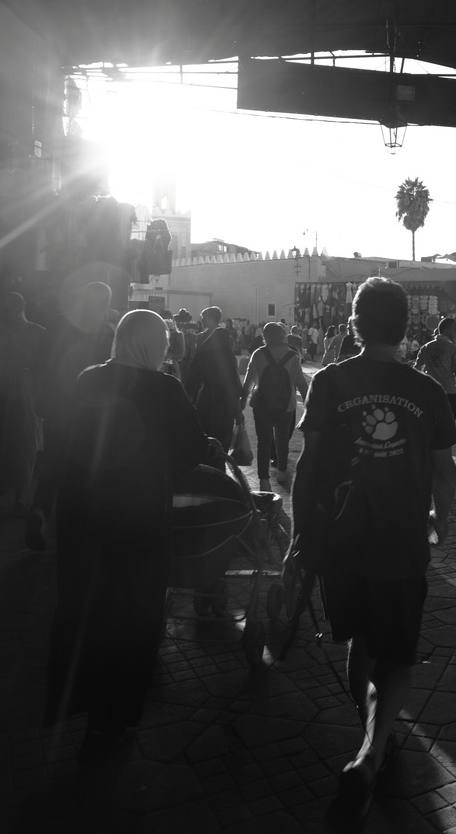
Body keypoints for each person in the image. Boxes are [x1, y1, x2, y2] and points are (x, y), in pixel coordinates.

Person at [286, 278, 456, 828]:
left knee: (362, 638)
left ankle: (371, 736)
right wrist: (443, 517)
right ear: (406, 325)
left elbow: (308, 466)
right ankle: (371, 750)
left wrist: (297, 537)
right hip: (401, 539)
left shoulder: (330, 381)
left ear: (356, 324)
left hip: (341, 538)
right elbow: (443, 469)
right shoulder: (428, 390)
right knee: (398, 653)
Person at [44, 310, 215, 762]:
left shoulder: (88, 378)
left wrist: (42, 504)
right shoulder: (165, 388)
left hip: (81, 513)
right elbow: (189, 452)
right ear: (155, 344)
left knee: (84, 607)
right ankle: (110, 722)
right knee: (133, 616)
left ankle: (75, 703)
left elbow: (58, 438)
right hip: (136, 517)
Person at [26, 282, 116, 550]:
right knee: (84, 471)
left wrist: (40, 399)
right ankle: (74, 530)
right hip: (89, 415)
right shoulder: (106, 333)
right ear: (105, 304)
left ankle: (40, 509)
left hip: (57, 407)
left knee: (53, 466)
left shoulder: (57, 325)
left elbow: (39, 364)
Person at [0, 292, 44, 512]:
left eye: (6, 310)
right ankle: (0, 487)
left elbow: (44, 367)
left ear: (19, 309)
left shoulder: (37, 333)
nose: (2, 314)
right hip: (0, 393)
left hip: (25, 397)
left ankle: (20, 495)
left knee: (22, 446)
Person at [241, 321, 307, 488]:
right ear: (282, 335)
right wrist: (309, 403)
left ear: (265, 336)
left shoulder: (258, 354)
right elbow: (301, 383)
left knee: (263, 441)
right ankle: (282, 471)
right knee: (282, 438)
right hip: (287, 405)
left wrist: (242, 402)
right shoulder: (293, 356)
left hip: (262, 404)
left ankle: (264, 480)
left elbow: (248, 382)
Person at [184, 305, 239, 449]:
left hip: (208, 396)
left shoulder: (204, 339)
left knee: (207, 434)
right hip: (225, 399)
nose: (201, 320)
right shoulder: (226, 339)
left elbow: (195, 371)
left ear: (211, 318)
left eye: (204, 317)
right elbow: (232, 371)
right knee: (223, 435)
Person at [413, 316, 456, 421]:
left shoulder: (426, 347)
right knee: (448, 427)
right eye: (454, 330)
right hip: (448, 392)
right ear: (446, 331)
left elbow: (417, 369)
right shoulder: (453, 349)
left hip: (429, 392)